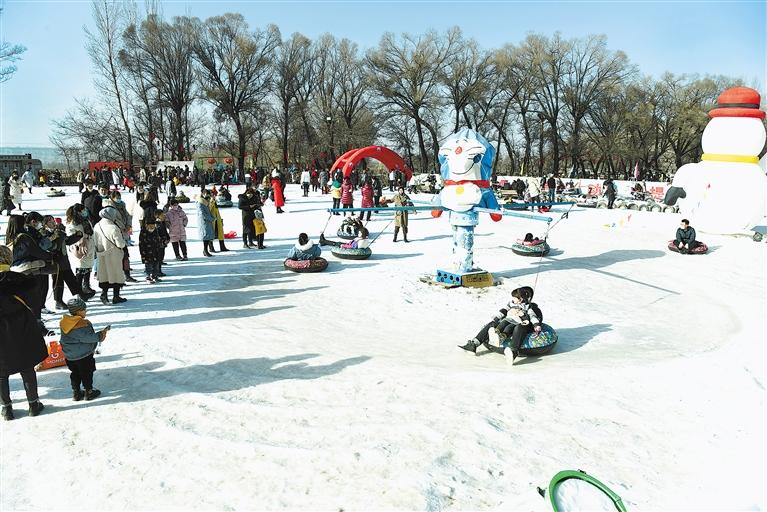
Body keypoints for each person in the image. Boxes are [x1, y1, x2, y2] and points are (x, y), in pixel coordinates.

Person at [0, 244, 48, 420]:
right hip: (22, 327)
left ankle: (6, 409)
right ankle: (33, 404)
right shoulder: (23, 280)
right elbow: (35, 303)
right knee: (27, 366)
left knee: (1, 371)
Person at [459, 286, 543, 363]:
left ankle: (513, 351)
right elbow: (504, 311)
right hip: (510, 319)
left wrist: (534, 324)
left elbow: (533, 317)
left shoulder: (530, 308)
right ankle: (474, 344)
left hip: (519, 324)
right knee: (494, 324)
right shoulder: (512, 304)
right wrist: (497, 318)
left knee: (515, 327)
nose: (513, 299)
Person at [59, 297, 109, 401]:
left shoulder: (66, 322)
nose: (85, 311)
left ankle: (76, 392)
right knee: (87, 373)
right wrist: (100, 335)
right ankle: (89, 391)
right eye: (84, 310)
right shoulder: (80, 324)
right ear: (78, 311)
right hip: (83, 355)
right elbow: (88, 338)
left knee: (75, 373)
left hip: (70, 356)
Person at [93, 207, 127, 305]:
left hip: (101, 254)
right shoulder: (113, 227)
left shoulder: (97, 225)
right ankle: (116, 296)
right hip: (114, 255)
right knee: (116, 274)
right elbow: (120, 244)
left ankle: (104, 295)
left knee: (104, 275)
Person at [65, 204, 97, 296]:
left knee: (87, 268)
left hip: (89, 245)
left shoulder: (85, 220)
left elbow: (90, 231)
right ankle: (78, 291)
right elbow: (71, 236)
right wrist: (82, 238)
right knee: (81, 269)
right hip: (80, 248)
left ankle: (86, 285)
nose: (85, 212)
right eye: (83, 210)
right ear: (78, 212)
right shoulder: (72, 223)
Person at [139, 218, 163, 283]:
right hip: (147, 252)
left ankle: (155, 276)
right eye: (150, 226)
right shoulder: (143, 232)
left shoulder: (155, 231)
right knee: (148, 265)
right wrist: (142, 253)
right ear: (146, 226)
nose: (151, 227)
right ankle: (148, 276)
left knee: (156, 265)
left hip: (156, 251)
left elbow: (158, 240)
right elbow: (141, 244)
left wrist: (160, 244)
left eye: (153, 226)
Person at [196, 190, 216, 257]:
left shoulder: (205, 202)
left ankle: (206, 250)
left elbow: (208, 211)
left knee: (208, 237)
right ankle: (205, 250)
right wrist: (211, 218)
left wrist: (212, 217)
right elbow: (202, 214)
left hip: (207, 221)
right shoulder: (200, 202)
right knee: (205, 237)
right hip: (204, 222)